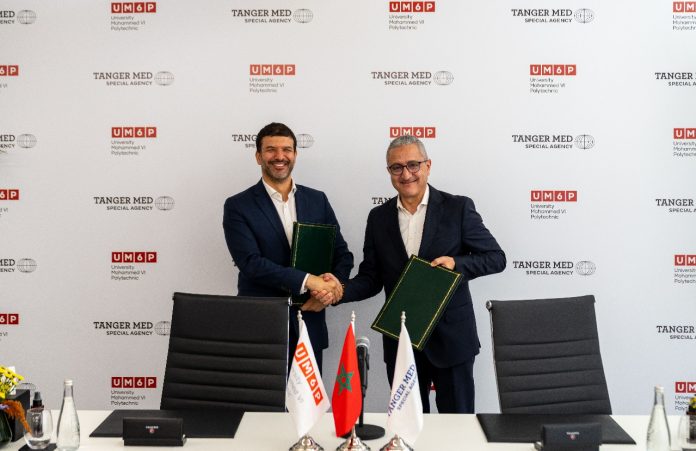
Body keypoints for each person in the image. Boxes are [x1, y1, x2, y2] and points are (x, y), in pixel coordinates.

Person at [319, 134, 505, 413]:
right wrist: (339, 290)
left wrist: (456, 264)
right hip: (401, 341)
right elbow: (371, 278)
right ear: (389, 171)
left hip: (452, 339)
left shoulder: (458, 208)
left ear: (428, 166)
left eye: (413, 165)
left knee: (457, 426)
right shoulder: (378, 217)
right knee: (406, 428)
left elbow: (496, 258)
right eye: (397, 167)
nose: (406, 174)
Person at [223, 122, 353, 372]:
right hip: (263, 326)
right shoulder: (238, 205)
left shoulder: (317, 200)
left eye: (286, 149)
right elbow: (250, 263)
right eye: (271, 150)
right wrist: (309, 281)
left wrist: (328, 291)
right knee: (262, 397)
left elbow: (342, 254)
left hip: (310, 321)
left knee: (310, 398)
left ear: (295, 154)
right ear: (258, 156)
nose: (279, 156)